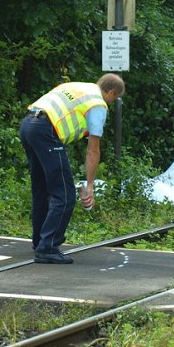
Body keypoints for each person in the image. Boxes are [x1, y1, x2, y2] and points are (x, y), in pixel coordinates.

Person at [19, 73, 125, 264]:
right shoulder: (97, 104)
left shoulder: (77, 87)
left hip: (28, 125)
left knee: (41, 189)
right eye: (114, 98)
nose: (111, 102)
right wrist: (90, 184)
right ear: (110, 92)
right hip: (45, 132)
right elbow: (93, 149)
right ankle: (48, 247)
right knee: (65, 194)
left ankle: (40, 241)